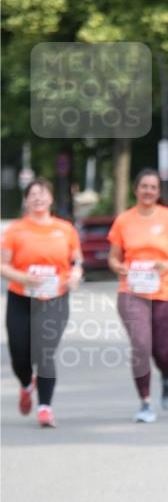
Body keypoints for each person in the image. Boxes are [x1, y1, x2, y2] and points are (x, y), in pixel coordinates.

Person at [107, 169, 168, 424]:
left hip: (165, 291)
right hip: (132, 291)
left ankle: (166, 378)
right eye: (144, 186)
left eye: (153, 187)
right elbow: (113, 257)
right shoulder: (124, 220)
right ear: (136, 189)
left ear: (158, 192)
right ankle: (145, 402)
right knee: (141, 346)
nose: (148, 191)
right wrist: (118, 267)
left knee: (162, 351)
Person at [0, 178, 83, 428]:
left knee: (45, 351)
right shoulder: (15, 230)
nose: (38, 198)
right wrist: (22, 277)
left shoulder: (65, 229)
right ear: (26, 200)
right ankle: (27, 385)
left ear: (51, 198)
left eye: (43, 193)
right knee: (20, 353)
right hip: (21, 298)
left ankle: (45, 407)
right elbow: (3, 265)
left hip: (54, 298)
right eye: (33, 194)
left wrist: (76, 275)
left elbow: (76, 261)